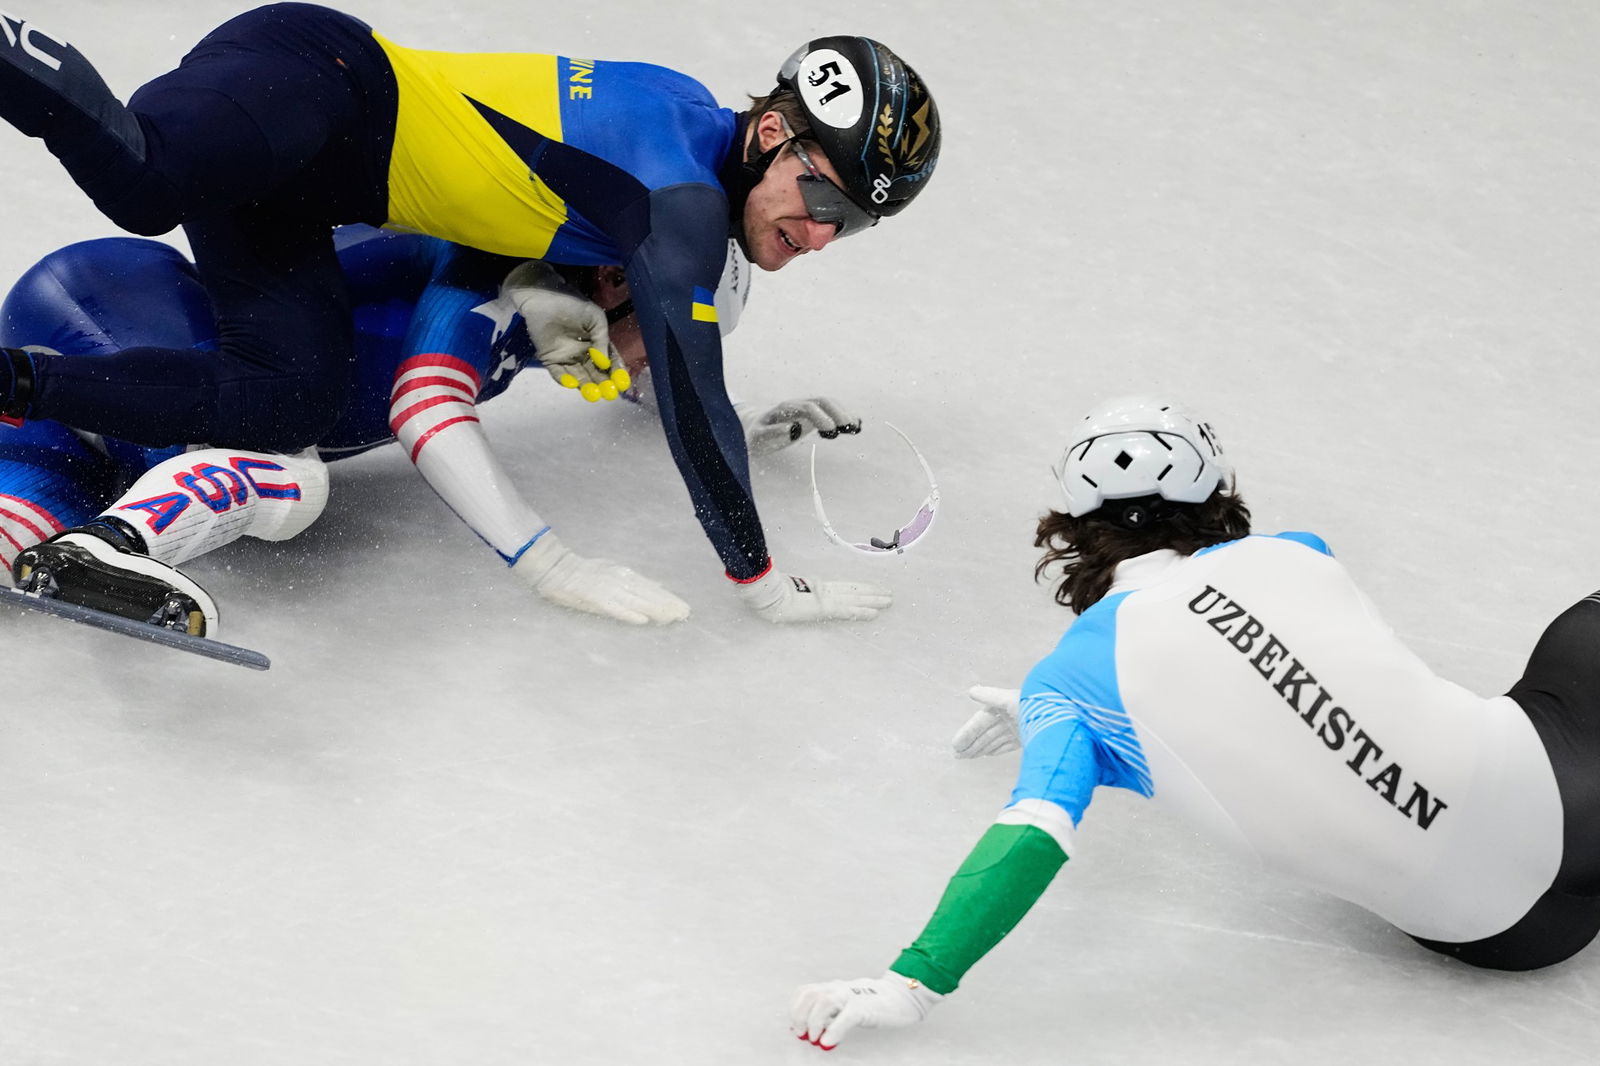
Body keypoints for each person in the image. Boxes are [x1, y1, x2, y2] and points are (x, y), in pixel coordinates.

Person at [0, 6, 940, 623]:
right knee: (143, 179)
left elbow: (670, 382)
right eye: (827, 205)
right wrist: (760, 582)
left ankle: (19, 393)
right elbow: (692, 387)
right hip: (322, 84)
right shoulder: (675, 208)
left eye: (853, 227)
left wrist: (756, 432)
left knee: (289, 399)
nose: (822, 239)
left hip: (287, 192)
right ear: (774, 132)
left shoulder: (665, 149)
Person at [790, 396, 1600, 1049]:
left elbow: (1032, 834)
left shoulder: (1069, 688)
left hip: (1507, 937)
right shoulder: (1300, 552)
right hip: (1573, 791)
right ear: (1216, 496)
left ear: (1070, 530)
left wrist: (913, 983)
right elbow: (1303, 685)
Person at [0, 226, 863, 635]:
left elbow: (629, 376)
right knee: (295, 483)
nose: (672, 361)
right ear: (613, 281)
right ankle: (115, 543)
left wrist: (735, 422)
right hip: (138, 319)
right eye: (676, 336)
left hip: (106, 322)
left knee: (24, 525)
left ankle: (68, 536)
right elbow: (427, 412)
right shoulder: (485, 272)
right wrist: (551, 565)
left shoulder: (553, 300)